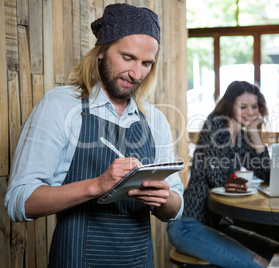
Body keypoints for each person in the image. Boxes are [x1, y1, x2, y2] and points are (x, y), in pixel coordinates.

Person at [4, 3, 183, 267]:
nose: (137, 74)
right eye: (127, 57)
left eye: (147, 63)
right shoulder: (61, 105)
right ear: (101, 51)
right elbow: (19, 201)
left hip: (140, 261)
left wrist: (164, 198)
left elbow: (175, 208)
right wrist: (96, 185)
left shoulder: (156, 120)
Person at [167, 81, 279, 268]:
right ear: (230, 105)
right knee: (261, 264)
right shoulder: (215, 125)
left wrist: (255, 135)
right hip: (189, 225)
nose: (250, 112)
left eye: (254, 107)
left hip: (218, 225)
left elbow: (267, 174)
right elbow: (217, 178)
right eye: (243, 106)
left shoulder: (241, 137)